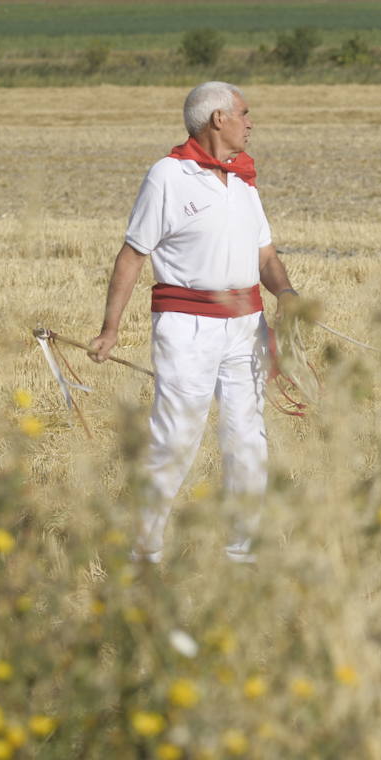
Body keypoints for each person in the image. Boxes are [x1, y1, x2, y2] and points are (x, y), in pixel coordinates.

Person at [88, 81, 296, 565]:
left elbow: (264, 253)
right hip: (186, 327)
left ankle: (243, 554)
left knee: (247, 439)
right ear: (217, 119)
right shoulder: (167, 175)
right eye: (244, 113)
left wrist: (286, 293)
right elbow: (133, 255)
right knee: (176, 437)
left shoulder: (244, 180)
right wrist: (110, 328)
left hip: (246, 327)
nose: (251, 122)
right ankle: (145, 554)